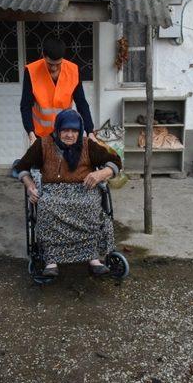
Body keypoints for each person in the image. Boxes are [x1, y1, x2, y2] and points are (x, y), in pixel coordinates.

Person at [14, 109, 122, 277]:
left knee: (91, 205)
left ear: (80, 131)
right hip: (53, 191)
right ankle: (51, 260)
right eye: (65, 130)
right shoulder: (43, 144)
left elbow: (115, 161)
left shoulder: (88, 145)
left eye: (74, 130)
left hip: (84, 189)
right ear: (57, 129)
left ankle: (93, 258)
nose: (70, 135)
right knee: (47, 205)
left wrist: (101, 173)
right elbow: (21, 167)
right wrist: (29, 185)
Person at [20, 37, 97, 145]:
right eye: (50, 64)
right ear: (43, 55)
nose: (54, 68)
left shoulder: (73, 70)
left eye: (58, 64)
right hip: (40, 135)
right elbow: (25, 105)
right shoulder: (31, 71)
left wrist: (90, 131)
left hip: (65, 133)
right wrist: (31, 133)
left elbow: (81, 103)